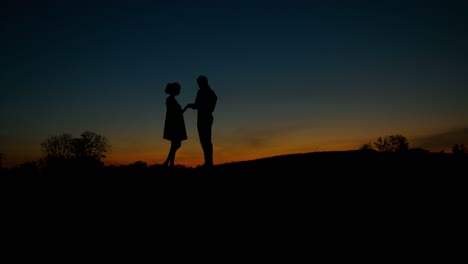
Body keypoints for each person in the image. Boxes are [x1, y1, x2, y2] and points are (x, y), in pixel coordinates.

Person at [183, 75, 217, 167]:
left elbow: (196, 105)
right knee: (207, 140)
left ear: (203, 82)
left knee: (204, 140)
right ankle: (209, 161)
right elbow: (214, 98)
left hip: (203, 118)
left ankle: (208, 162)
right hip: (207, 117)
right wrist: (210, 108)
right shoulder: (209, 91)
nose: (198, 85)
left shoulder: (202, 91)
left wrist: (188, 106)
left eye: (199, 83)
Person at [162, 82, 187, 167]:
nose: (179, 91)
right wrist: (186, 107)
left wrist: (186, 108)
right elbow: (175, 113)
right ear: (174, 90)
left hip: (175, 124)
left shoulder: (171, 99)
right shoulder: (170, 100)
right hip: (174, 125)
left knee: (174, 145)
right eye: (178, 89)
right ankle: (167, 163)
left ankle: (170, 164)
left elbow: (178, 113)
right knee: (176, 144)